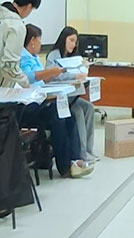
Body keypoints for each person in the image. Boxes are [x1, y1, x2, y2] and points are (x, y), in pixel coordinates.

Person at [21, 24, 93, 178]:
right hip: (27, 105)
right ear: (32, 40)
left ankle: (75, 160)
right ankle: (65, 166)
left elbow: (44, 79)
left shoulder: (34, 57)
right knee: (59, 115)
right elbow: (29, 77)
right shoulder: (22, 57)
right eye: (40, 40)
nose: (41, 44)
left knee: (68, 114)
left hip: (42, 98)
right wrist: (52, 73)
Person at [47, 26, 99, 162]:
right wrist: (74, 75)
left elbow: (78, 72)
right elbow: (52, 75)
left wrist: (84, 69)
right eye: (71, 40)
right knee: (78, 111)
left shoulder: (73, 57)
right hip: (59, 97)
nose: (73, 44)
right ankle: (81, 153)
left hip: (71, 95)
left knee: (89, 108)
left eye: (75, 42)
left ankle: (88, 149)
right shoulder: (54, 55)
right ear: (63, 39)